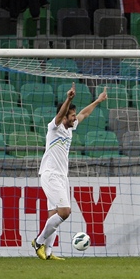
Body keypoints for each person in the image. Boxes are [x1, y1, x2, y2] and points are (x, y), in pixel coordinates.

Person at [32, 83, 107, 260]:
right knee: (64, 212)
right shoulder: (54, 127)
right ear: (65, 116)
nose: (75, 118)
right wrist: (68, 99)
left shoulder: (70, 128)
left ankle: (48, 253)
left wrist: (98, 100)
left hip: (62, 176)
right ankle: (39, 241)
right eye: (72, 115)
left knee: (54, 214)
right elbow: (59, 116)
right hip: (50, 175)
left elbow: (85, 113)